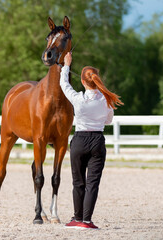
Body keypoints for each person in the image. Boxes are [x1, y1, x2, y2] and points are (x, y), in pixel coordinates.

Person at [61, 52, 123, 229]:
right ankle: (87, 221)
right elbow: (108, 121)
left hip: (79, 140)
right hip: (97, 140)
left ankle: (77, 218)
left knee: (77, 182)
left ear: (82, 81)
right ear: (97, 80)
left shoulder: (78, 99)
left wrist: (66, 64)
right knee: (92, 183)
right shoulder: (107, 100)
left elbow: (63, 84)